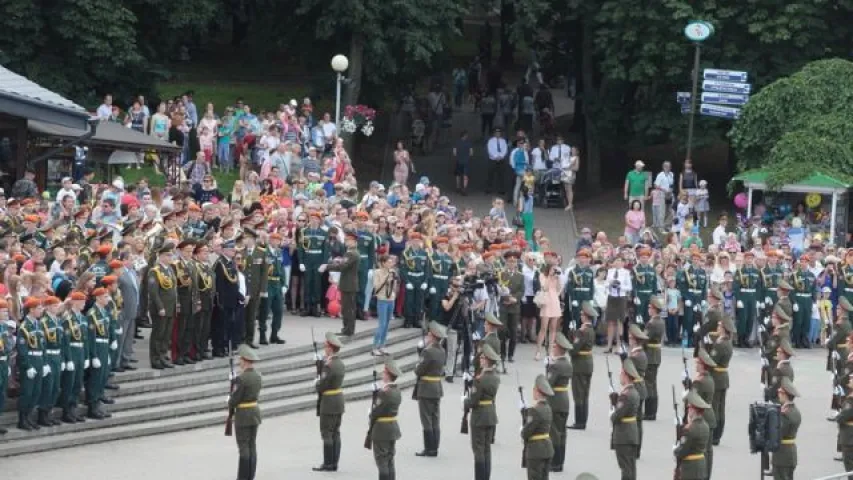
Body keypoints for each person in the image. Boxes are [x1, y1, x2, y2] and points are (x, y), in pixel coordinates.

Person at [464, 343, 501, 480]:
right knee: (486, 449)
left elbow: (473, 401)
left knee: (478, 449)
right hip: (490, 414)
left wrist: (464, 402)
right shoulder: (495, 377)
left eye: (483, 357)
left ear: (487, 360)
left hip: (479, 416)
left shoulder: (480, 380)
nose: (480, 359)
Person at [313, 332, 346, 472]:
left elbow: (322, 386)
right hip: (338, 400)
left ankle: (328, 463)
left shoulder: (329, 366)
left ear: (331, 348)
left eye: (326, 346)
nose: (324, 348)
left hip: (329, 402)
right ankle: (334, 462)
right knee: (336, 432)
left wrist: (316, 382)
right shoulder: (339, 363)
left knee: (327, 432)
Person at [414, 321, 447, 457]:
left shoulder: (428, 352)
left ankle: (429, 448)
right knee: (435, 418)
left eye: (429, 334)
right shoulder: (441, 350)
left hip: (426, 388)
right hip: (437, 387)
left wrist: (418, 360)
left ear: (433, 336)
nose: (427, 335)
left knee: (426, 419)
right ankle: (435, 447)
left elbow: (419, 370)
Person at [230, 344, 263, 480]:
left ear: (245, 360)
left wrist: (229, 398)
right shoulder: (258, 375)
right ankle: (250, 476)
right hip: (254, 412)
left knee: (243, 446)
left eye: (240, 359)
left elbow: (235, 399)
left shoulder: (242, 378)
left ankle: (243, 477)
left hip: (243, 414)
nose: (239, 362)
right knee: (252, 444)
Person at [370, 357, 403, 480]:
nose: (382, 374)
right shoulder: (396, 391)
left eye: (384, 372)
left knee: (382, 461)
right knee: (389, 459)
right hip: (392, 427)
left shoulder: (384, 393)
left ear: (388, 375)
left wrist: (376, 395)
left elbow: (376, 411)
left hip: (381, 429)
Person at [148, 243, 178, 369]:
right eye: (168, 255)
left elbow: (173, 289)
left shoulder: (170, 269)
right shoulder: (155, 271)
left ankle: (163, 356)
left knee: (166, 335)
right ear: (160, 256)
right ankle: (155, 359)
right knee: (158, 334)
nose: (170, 257)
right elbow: (153, 292)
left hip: (170, 307)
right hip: (160, 308)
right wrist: (160, 307)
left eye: (171, 255)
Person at [16, 297, 45, 430]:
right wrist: (27, 366)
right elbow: (22, 349)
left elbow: (42, 345)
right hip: (30, 361)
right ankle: (22, 419)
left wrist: (44, 363)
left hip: (38, 360)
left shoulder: (38, 324)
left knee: (37, 391)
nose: (41, 310)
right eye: (39, 308)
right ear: (32, 310)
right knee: (27, 392)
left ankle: (28, 417)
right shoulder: (24, 327)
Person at [610, 357, 641, 480]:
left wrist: (612, 408)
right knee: (631, 467)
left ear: (626, 375)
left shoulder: (626, 395)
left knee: (626, 468)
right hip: (631, 434)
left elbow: (616, 417)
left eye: (621, 373)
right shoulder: (634, 392)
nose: (620, 375)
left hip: (624, 436)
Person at [325, 231, 360, 337]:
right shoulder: (351, 252)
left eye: (348, 240)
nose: (346, 242)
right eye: (346, 240)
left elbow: (342, 267)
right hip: (348, 283)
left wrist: (327, 266)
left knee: (347, 309)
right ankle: (347, 329)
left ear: (354, 242)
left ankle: (348, 330)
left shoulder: (351, 253)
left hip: (348, 284)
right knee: (347, 308)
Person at [546, 332, 573, 472]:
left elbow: (548, 384)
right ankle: (560, 461)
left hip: (555, 400)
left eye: (554, 346)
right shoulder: (567, 364)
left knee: (554, 432)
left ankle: (555, 463)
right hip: (564, 399)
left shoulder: (556, 365)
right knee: (562, 432)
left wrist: (548, 367)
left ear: (559, 348)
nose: (553, 348)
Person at [568, 301, 596, 430]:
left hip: (579, 364)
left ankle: (579, 422)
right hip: (588, 362)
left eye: (581, 314)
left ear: (585, 316)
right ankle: (583, 420)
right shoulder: (590, 329)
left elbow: (574, 350)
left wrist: (571, 338)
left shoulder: (582, 331)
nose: (580, 316)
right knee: (585, 393)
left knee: (578, 393)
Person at [673, 390, 712, 480]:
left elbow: (682, 451)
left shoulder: (689, 429)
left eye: (690, 408)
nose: (688, 410)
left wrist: (675, 450)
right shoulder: (705, 426)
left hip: (690, 468)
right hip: (701, 465)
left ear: (694, 410)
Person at [523, 374, 555, 480]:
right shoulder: (548, 408)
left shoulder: (535, 410)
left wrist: (522, 428)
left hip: (536, 451)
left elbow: (526, 433)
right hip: (547, 448)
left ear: (537, 391)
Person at [710, 314, 735, 446]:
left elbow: (712, 361)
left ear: (724, 328)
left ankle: (715, 434)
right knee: (721, 407)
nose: (717, 328)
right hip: (723, 377)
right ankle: (718, 434)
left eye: (719, 326)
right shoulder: (727, 342)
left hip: (716, 377)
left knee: (715, 407)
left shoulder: (720, 344)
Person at [241, 228, 267, 349]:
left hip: (255, 289)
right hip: (243, 290)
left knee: (252, 316)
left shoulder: (261, 252)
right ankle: (241, 338)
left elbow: (264, 273)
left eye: (247, 238)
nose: (245, 240)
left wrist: (263, 289)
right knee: (241, 315)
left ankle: (249, 339)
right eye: (244, 238)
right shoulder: (241, 253)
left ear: (253, 239)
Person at [771, 378, 801, 480]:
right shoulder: (795, 411)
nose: (778, 394)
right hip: (790, 454)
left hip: (782, 456)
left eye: (780, 392)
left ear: (785, 394)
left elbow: (778, 433)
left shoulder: (785, 414)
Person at [498, 250, 524, 364]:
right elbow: (499, 289)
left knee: (513, 332)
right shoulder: (501, 274)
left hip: (514, 307)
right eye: (509, 262)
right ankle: (502, 353)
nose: (512, 264)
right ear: (506, 262)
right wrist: (506, 299)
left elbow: (521, 290)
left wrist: (514, 298)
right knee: (502, 331)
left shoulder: (520, 276)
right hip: (503, 306)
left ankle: (510, 354)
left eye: (514, 262)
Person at [643, 296, 665, 420]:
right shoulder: (660, 321)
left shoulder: (652, 323)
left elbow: (645, 339)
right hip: (656, 355)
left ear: (654, 309)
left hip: (650, 355)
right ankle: (652, 411)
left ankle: (649, 412)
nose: (648, 309)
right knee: (653, 384)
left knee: (649, 384)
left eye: (650, 307)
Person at [372, 254, 399, 355]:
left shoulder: (393, 272)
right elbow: (376, 286)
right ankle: (375, 347)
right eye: (389, 262)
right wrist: (386, 279)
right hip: (382, 299)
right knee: (382, 324)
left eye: (391, 262)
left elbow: (394, 285)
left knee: (387, 324)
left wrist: (394, 292)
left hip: (391, 299)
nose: (391, 264)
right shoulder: (377, 272)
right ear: (383, 263)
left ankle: (382, 345)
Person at [535, 261, 562, 360]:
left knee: (553, 328)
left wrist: (557, 278)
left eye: (555, 269)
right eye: (553, 269)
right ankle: (538, 351)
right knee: (543, 328)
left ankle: (551, 352)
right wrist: (550, 277)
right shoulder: (543, 275)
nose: (554, 271)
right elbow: (544, 287)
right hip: (546, 302)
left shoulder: (556, 277)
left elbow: (559, 288)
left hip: (554, 301)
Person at [485, 128, 508, 195]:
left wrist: (501, 156)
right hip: (492, 160)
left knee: (501, 175)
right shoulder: (490, 141)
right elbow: (490, 150)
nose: (498, 133)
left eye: (499, 132)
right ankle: (488, 189)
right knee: (490, 175)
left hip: (501, 160)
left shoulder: (503, 141)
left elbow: (505, 149)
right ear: (494, 133)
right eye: (496, 132)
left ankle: (501, 189)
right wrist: (496, 157)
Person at [453, 131, 474, 195]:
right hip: (466, 161)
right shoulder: (469, 143)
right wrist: (467, 157)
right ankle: (464, 188)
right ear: (465, 136)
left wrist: (458, 157)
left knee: (458, 175)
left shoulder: (456, 142)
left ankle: (458, 187)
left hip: (458, 161)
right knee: (465, 175)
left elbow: (454, 153)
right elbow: (471, 153)